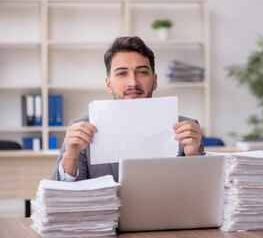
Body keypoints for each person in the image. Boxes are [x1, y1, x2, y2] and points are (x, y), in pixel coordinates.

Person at [51, 36, 204, 182]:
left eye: (142, 72)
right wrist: (71, 156)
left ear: (154, 81)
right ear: (108, 84)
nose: (133, 82)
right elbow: (63, 197)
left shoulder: (187, 130)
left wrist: (192, 155)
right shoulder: (81, 129)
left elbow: (203, 196)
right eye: (122, 73)